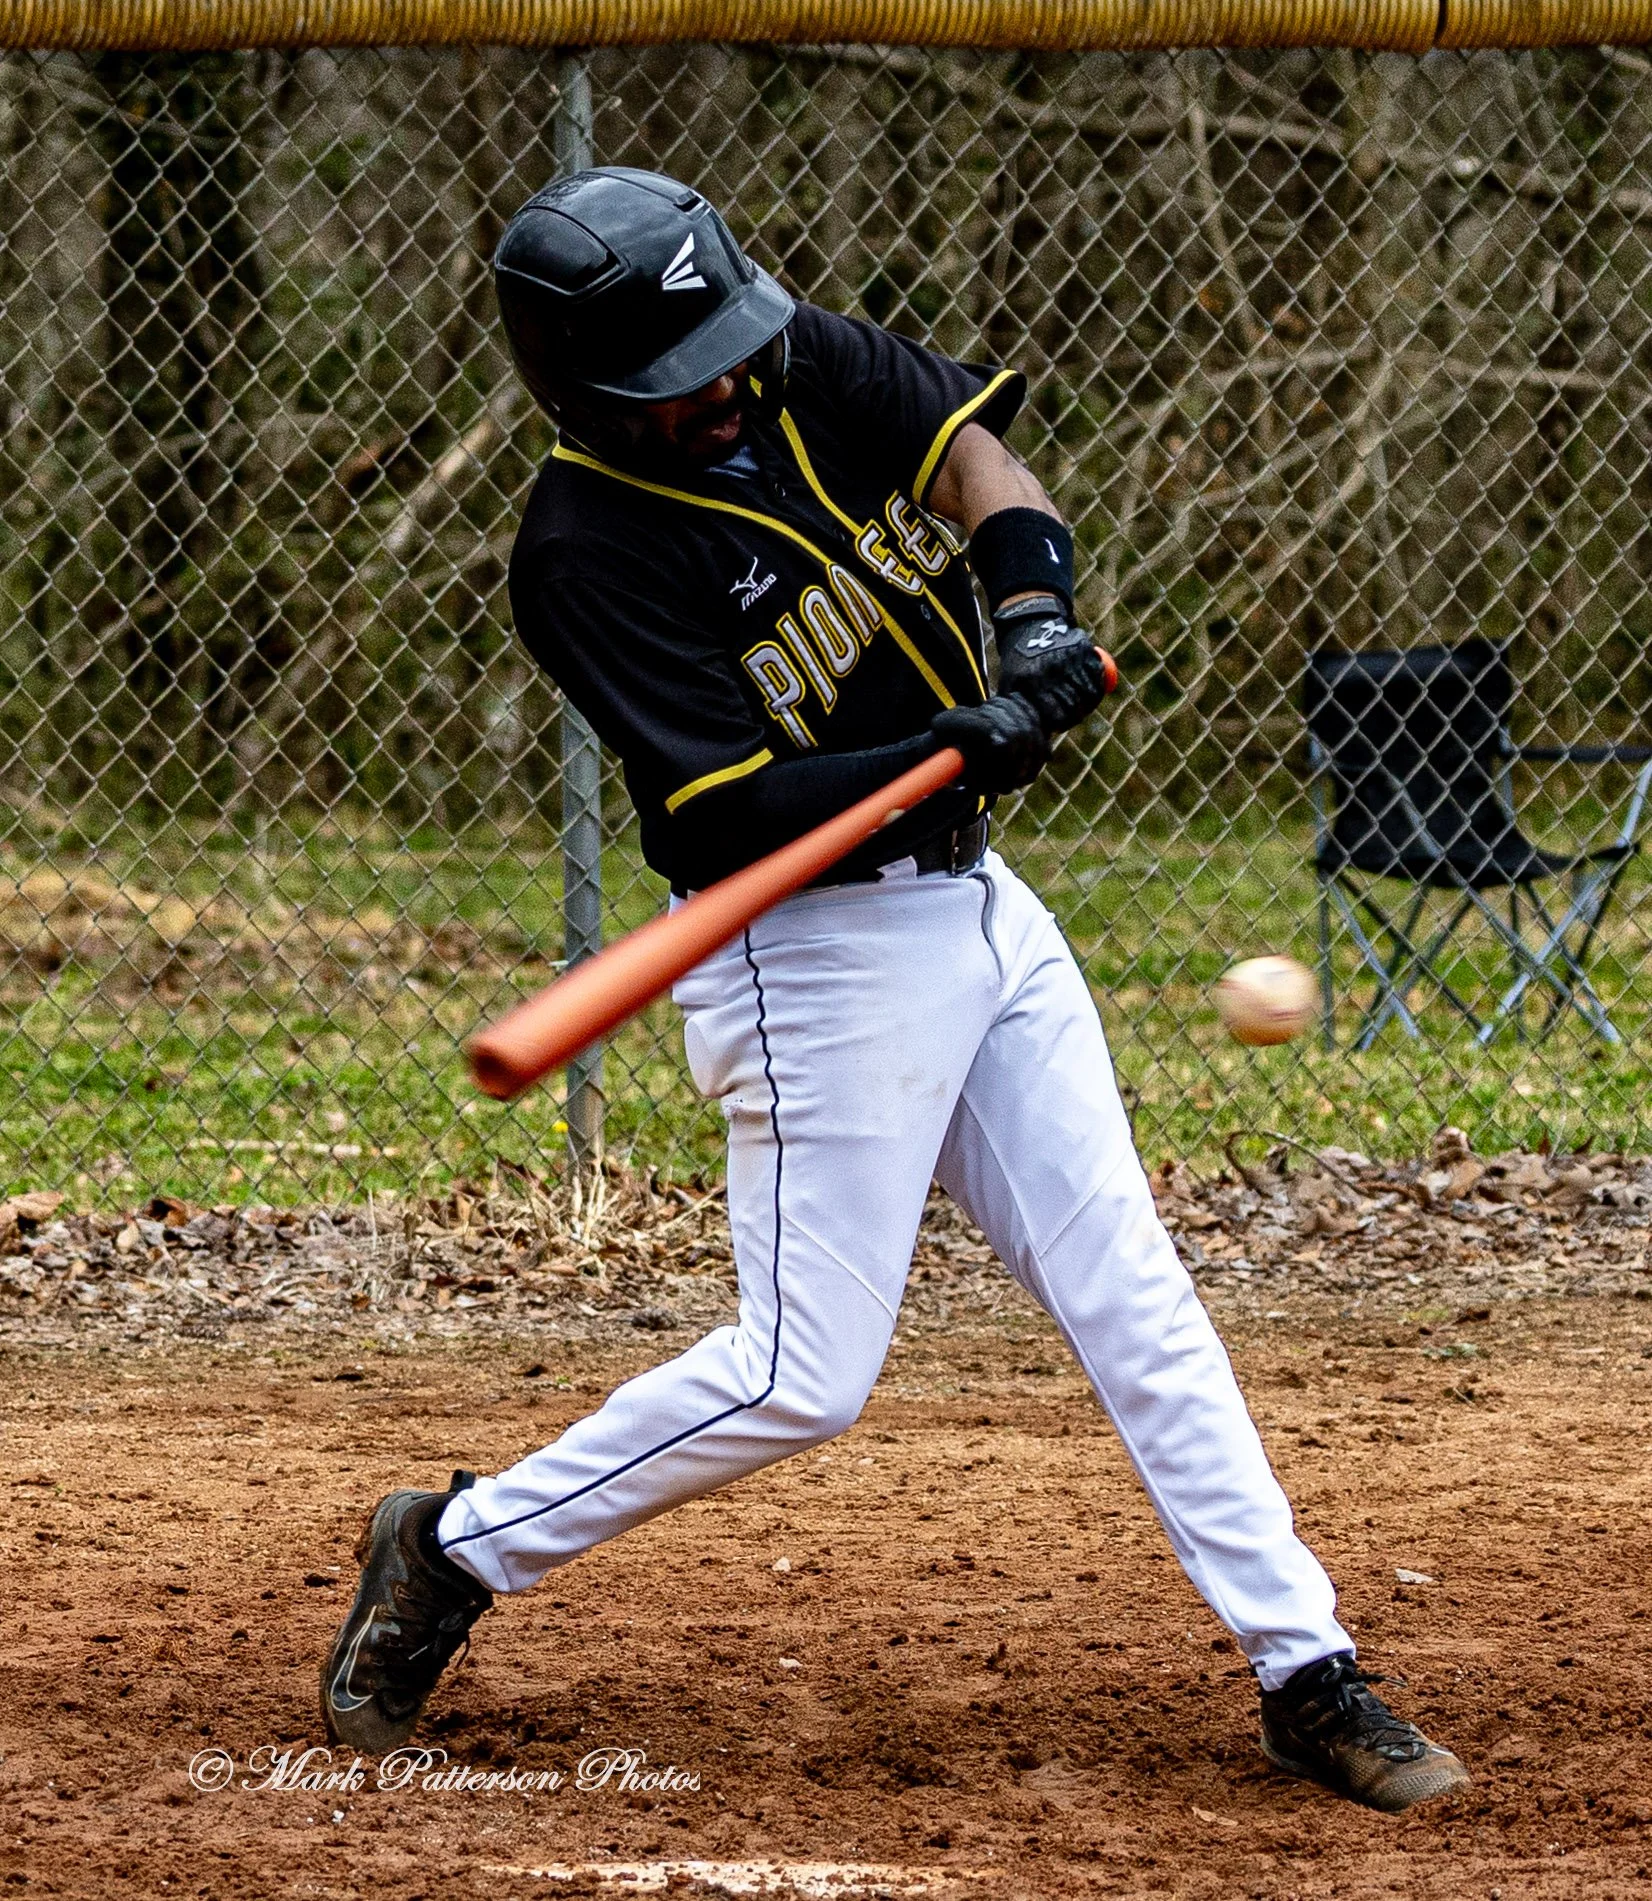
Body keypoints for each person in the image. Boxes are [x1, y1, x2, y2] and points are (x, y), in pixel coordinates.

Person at [320, 167, 1468, 1814]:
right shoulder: (580, 551)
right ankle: (455, 1547)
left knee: (1134, 1302)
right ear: (577, 393)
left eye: (723, 346)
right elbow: (718, 807)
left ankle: (1306, 1666)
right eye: (678, 379)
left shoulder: (784, 357)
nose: (721, 387)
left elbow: (973, 460)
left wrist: (1034, 620)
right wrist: (943, 748)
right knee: (803, 1377)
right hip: (807, 955)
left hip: (985, 914)